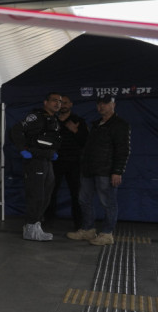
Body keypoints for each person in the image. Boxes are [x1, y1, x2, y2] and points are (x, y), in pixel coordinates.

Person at [66, 94, 131, 246]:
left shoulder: (120, 124)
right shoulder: (96, 124)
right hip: (89, 169)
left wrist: (117, 171)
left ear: (113, 105)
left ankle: (107, 234)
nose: (101, 106)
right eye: (99, 103)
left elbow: (123, 150)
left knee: (108, 202)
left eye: (106, 103)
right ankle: (88, 229)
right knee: (83, 199)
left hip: (106, 171)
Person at [9, 92, 62, 241]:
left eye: (59, 101)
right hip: (35, 161)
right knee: (36, 195)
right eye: (54, 101)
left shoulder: (54, 120)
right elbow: (16, 130)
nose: (57, 103)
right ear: (45, 102)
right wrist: (22, 150)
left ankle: (35, 224)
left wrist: (53, 152)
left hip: (47, 160)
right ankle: (30, 227)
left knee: (46, 195)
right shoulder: (36, 117)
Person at [47, 94, 88, 228]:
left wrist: (75, 130)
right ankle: (47, 223)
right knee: (51, 193)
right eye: (60, 102)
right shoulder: (52, 120)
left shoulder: (78, 121)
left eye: (65, 102)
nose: (62, 105)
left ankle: (79, 225)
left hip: (74, 163)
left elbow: (85, 142)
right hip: (55, 162)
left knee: (76, 194)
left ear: (71, 105)